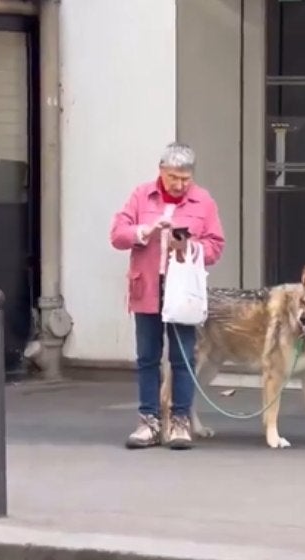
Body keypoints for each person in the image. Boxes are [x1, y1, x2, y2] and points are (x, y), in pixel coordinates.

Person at [109, 142, 226, 450]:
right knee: (147, 356)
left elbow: (216, 246)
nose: (179, 184)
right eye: (174, 177)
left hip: (182, 289)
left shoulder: (203, 201)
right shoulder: (141, 195)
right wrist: (145, 231)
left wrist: (189, 246)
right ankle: (148, 421)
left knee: (183, 357)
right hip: (147, 285)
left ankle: (180, 421)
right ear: (161, 171)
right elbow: (118, 235)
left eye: (185, 178)